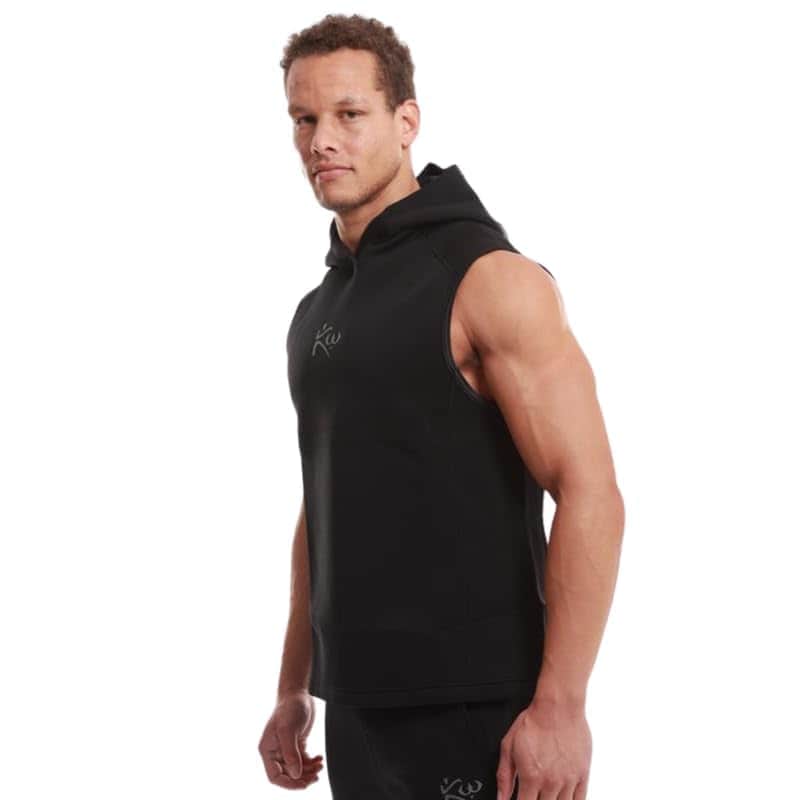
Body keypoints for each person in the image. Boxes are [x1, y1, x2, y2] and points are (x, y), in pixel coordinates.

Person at [258, 13, 625, 800]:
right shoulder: (317, 311)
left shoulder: (488, 279)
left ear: (406, 121)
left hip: (481, 708)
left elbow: (590, 490)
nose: (322, 140)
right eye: (304, 119)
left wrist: (561, 707)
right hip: (358, 710)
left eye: (349, 114)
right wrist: (294, 686)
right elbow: (325, 499)